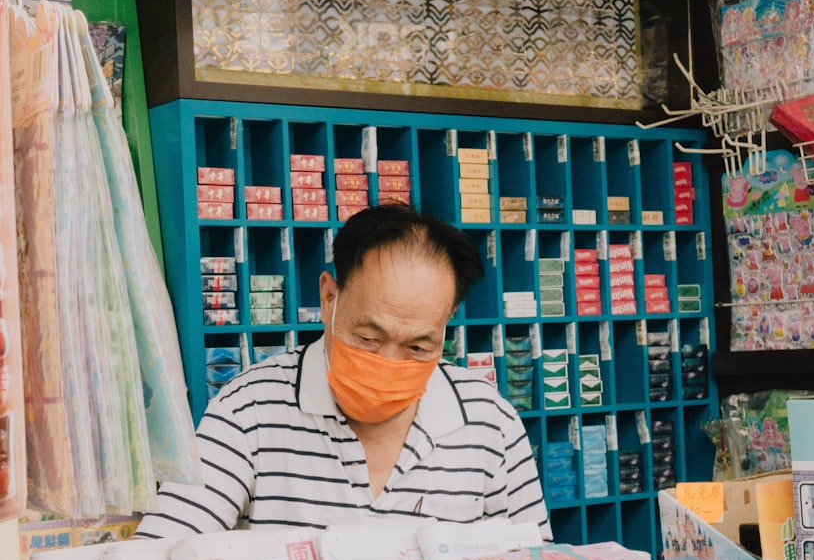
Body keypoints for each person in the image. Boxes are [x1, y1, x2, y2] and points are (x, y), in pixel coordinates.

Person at [136, 204, 550, 539]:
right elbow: (164, 553)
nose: (389, 363)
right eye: (369, 338)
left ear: (446, 323)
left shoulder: (488, 420)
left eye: (418, 346)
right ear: (329, 298)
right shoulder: (250, 408)